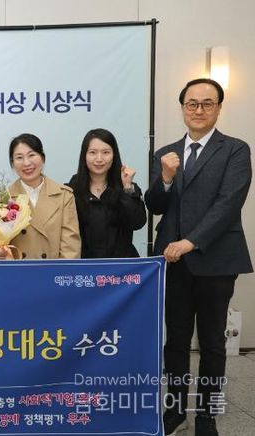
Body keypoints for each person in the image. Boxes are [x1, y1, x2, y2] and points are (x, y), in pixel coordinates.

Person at [145, 78, 252, 436]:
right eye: (192, 103)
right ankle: (175, 411)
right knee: (175, 342)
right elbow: (154, 205)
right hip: (173, 262)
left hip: (216, 260)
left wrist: (191, 241)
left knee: (212, 343)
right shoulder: (167, 153)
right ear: (182, 108)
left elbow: (228, 203)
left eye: (207, 103)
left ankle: (207, 416)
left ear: (219, 108)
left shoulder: (235, 150)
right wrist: (165, 177)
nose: (199, 110)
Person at [0, 133, 80, 260]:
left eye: (32, 155)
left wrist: (57, 272)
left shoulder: (64, 196)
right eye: (19, 157)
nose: (26, 163)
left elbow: (70, 249)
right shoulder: (2, 199)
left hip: (53, 270)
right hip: (17, 270)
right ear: (12, 163)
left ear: (42, 158)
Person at [67, 128, 146, 258]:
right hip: (84, 265)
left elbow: (137, 223)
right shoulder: (71, 190)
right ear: (84, 156)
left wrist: (127, 188)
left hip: (121, 265)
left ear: (114, 155)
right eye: (93, 152)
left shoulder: (128, 187)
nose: (99, 159)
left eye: (106, 152)